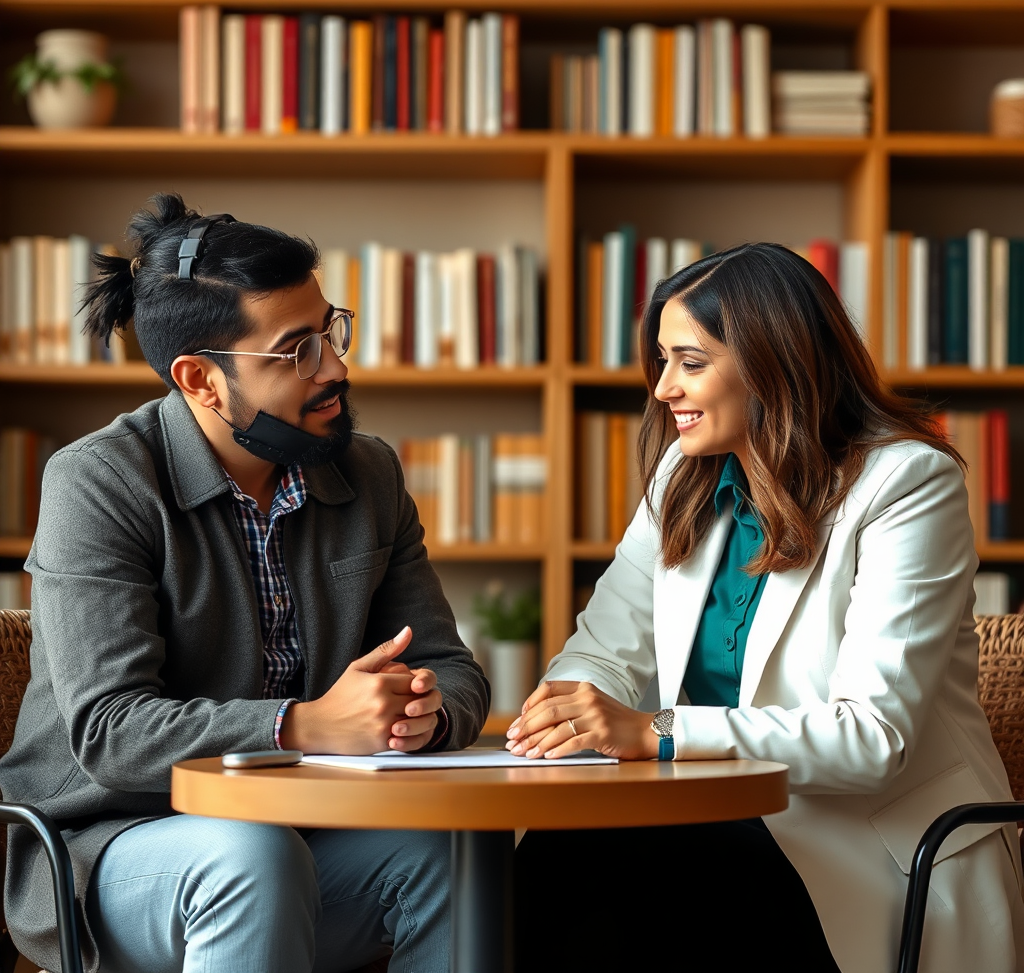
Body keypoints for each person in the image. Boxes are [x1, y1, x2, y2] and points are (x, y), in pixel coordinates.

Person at [0, 193, 489, 973]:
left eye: (330, 329)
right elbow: (110, 732)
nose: (335, 366)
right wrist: (305, 725)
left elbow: (454, 669)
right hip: (110, 850)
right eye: (296, 350)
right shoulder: (96, 481)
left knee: (458, 849)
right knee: (249, 859)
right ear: (201, 380)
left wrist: (421, 717)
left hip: (303, 833)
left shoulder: (370, 473)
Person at [507, 243, 1024, 973]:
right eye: (660, 362)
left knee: (632, 869)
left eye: (690, 362)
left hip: (868, 846)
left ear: (773, 361)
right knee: (563, 852)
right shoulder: (683, 478)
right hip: (720, 826)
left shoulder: (907, 484)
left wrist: (654, 730)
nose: (663, 390)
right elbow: (604, 649)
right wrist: (569, 710)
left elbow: (874, 737)